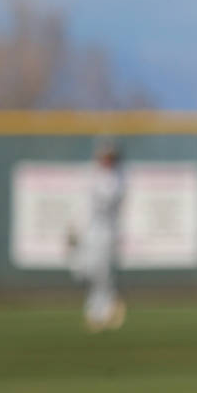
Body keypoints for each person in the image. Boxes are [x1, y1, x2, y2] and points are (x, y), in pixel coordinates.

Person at [68, 136, 127, 332]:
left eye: (110, 156)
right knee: (83, 270)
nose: (107, 160)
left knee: (103, 273)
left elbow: (111, 204)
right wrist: (75, 228)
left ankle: (102, 310)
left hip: (106, 231)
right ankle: (103, 304)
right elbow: (80, 206)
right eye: (104, 156)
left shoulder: (117, 178)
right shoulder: (91, 174)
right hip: (89, 231)